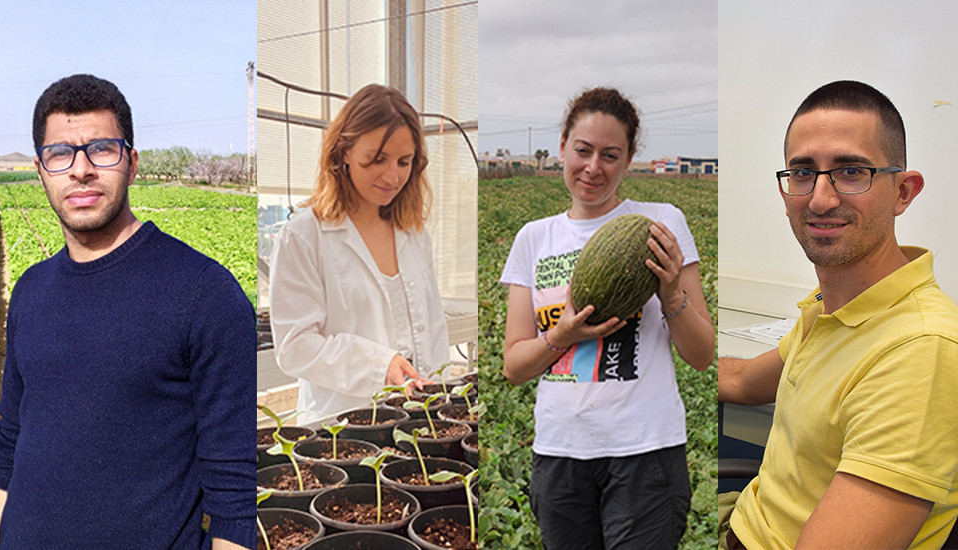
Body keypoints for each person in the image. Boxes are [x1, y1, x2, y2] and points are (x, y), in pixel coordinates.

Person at [0, 74, 254, 549]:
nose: (81, 170)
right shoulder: (31, 290)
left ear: (132, 163)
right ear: (40, 170)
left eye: (102, 149)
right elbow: (12, 435)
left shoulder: (205, 293)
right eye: (60, 154)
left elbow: (235, 491)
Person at [718, 80, 958, 549]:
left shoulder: (920, 351)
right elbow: (744, 381)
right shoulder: (835, 306)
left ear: (903, 192)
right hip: (741, 519)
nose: (820, 199)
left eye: (851, 172)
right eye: (803, 173)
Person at [499, 87, 715, 549]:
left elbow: (701, 355)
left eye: (610, 155)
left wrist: (671, 290)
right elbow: (514, 366)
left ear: (630, 157)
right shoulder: (534, 239)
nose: (593, 167)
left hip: (646, 453)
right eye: (583, 151)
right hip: (561, 454)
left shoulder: (661, 225)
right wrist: (562, 335)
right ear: (562, 146)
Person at [268, 83, 450, 425]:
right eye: (376, 159)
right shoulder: (304, 237)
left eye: (404, 161)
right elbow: (295, 347)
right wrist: (379, 365)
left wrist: (439, 397)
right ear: (343, 151)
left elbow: (434, 328)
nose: (392, 176)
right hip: (341, 429)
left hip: (421, 420)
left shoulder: (413, 233)